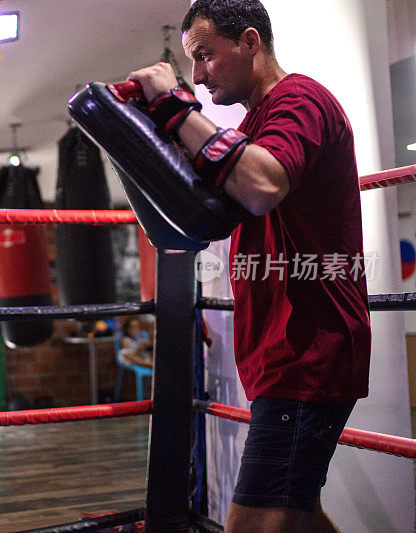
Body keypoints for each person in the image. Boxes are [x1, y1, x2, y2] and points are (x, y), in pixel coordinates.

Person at [127, 1, 371, 531]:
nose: (198, 74)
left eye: (207, 55)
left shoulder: (300, 101)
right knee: (298, 514)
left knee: (252, 523)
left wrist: (175, 107)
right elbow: (204, 215)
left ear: (251, 42)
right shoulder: (256, 122)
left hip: (309, 353)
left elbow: (262, 186)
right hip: (282, 351)